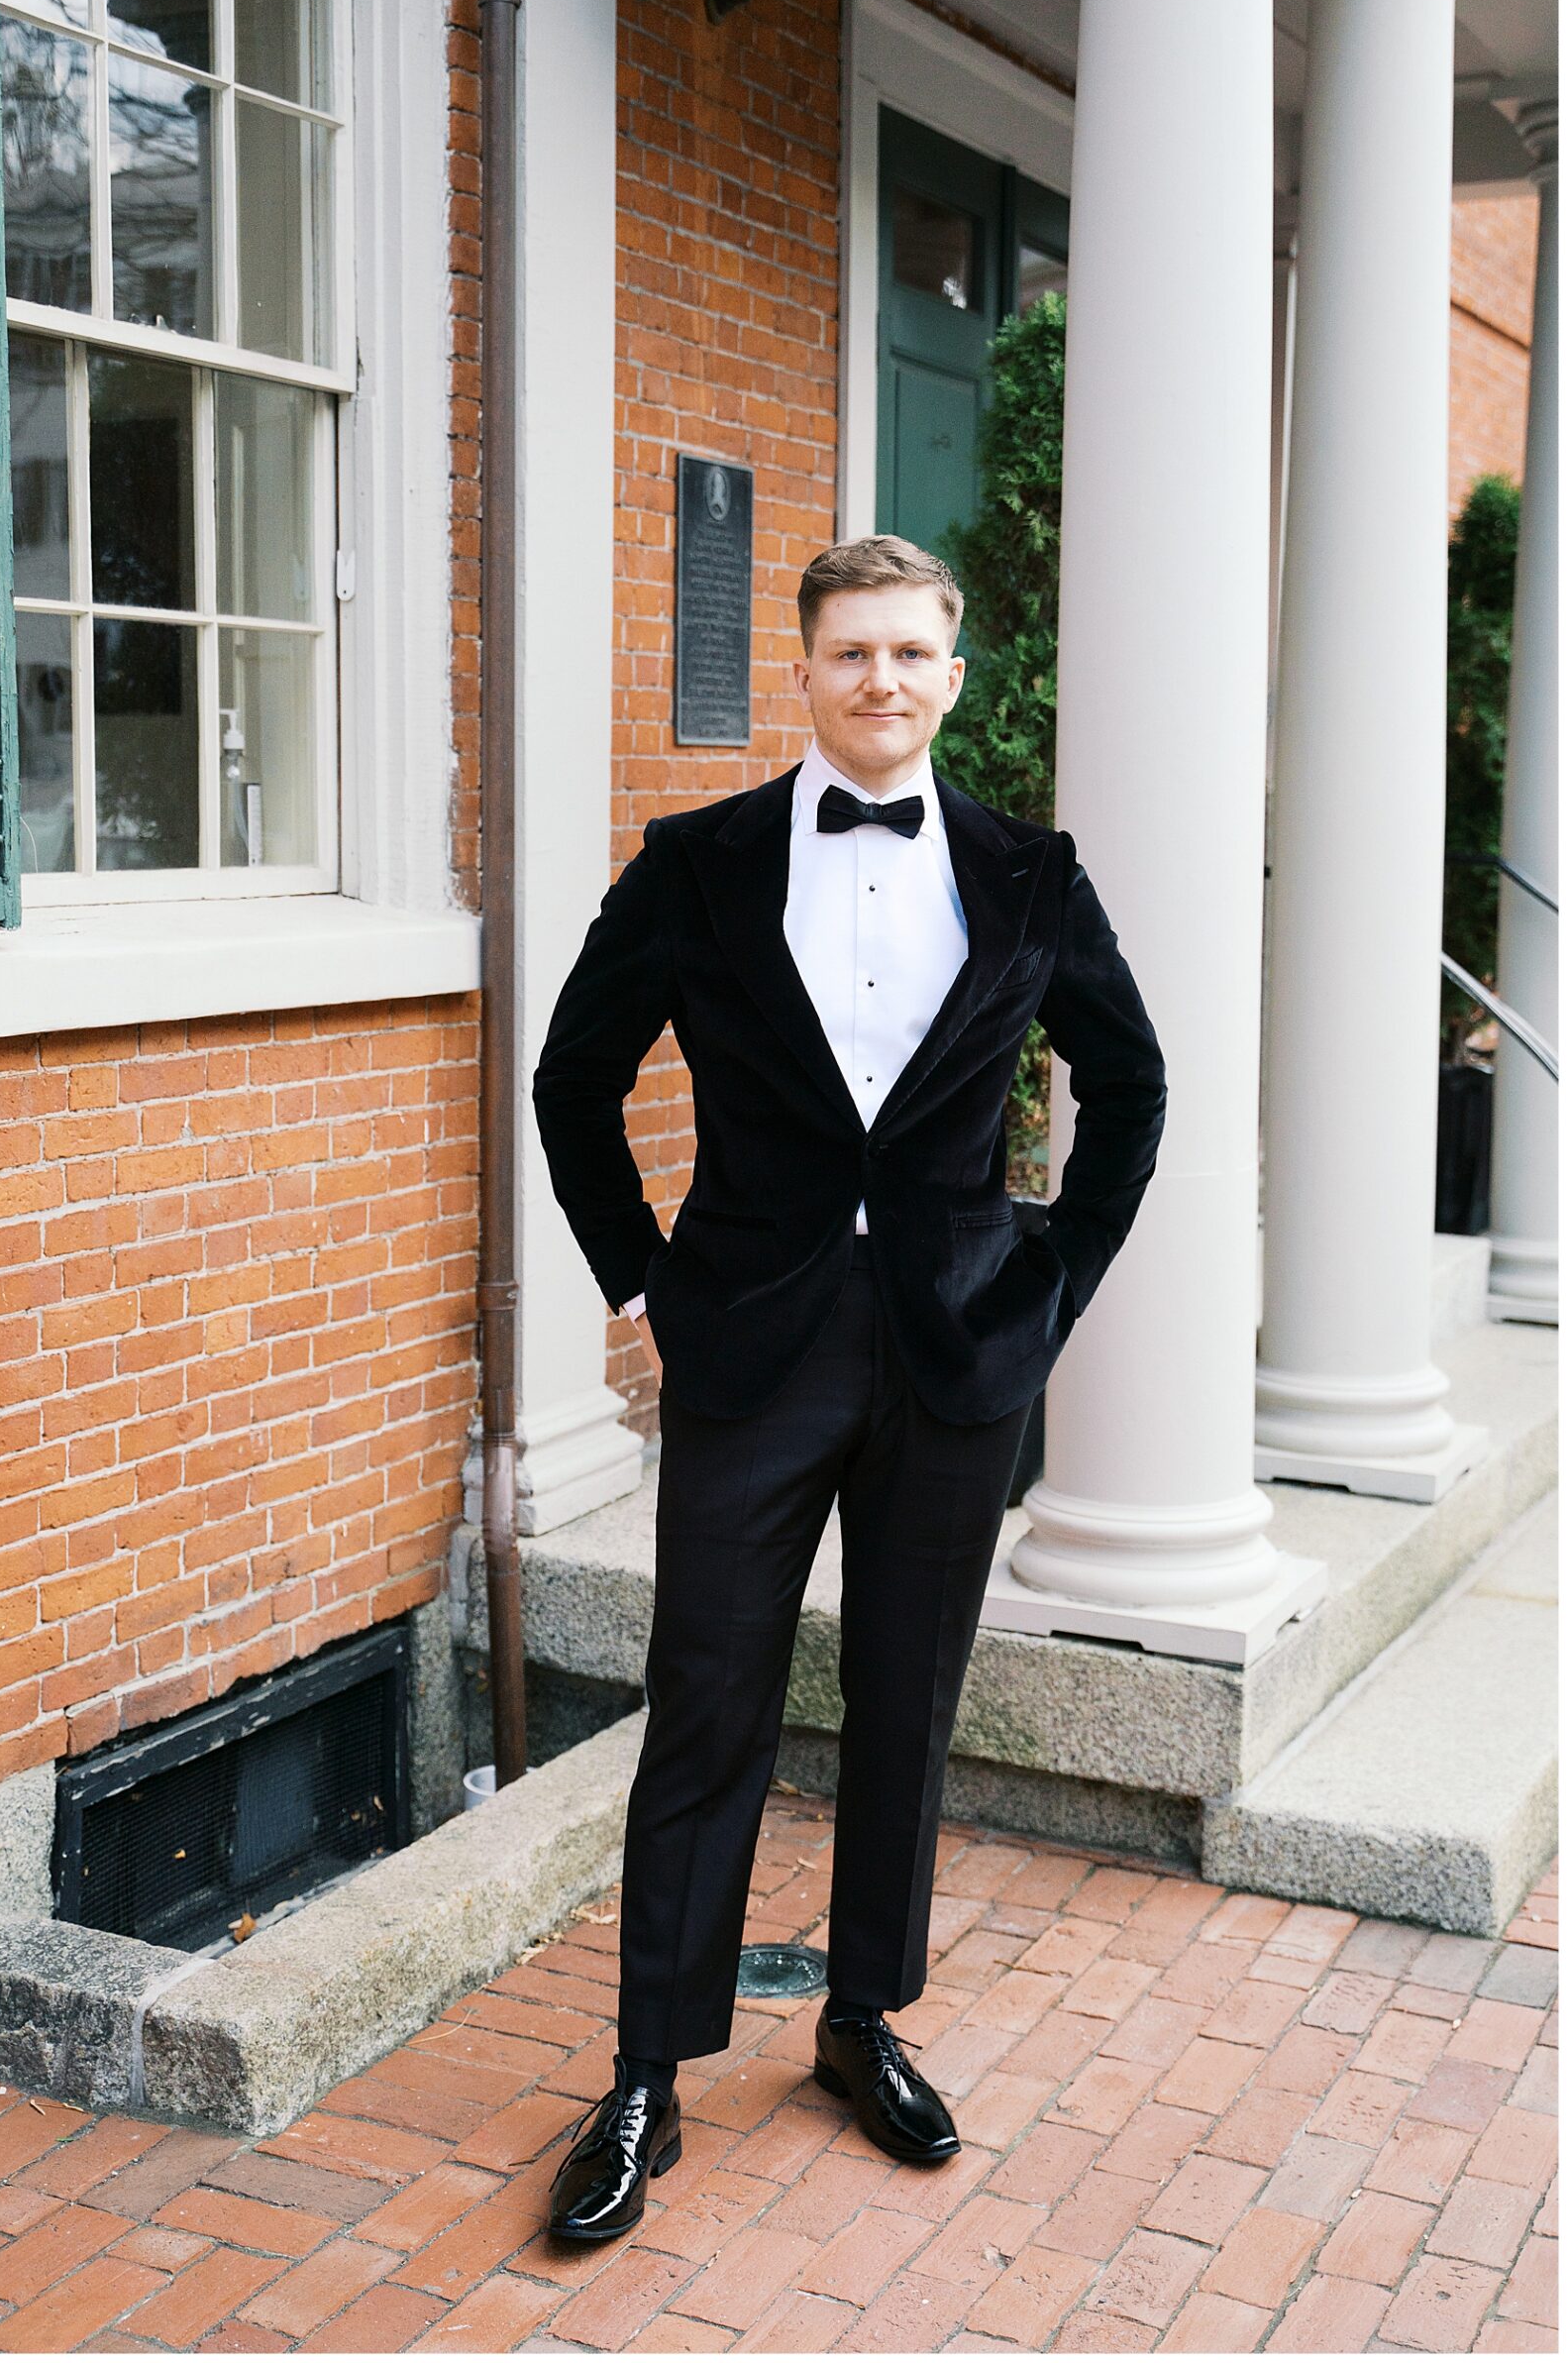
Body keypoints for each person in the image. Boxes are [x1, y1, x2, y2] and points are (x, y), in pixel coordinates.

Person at [531, 533, 1167, 2242]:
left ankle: (858, 2022)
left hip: (956, 1347)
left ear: (951, 676)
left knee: (906, 1699)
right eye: (849, 652)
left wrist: (1052, 1277)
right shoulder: (698, 864)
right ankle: (647, 2073)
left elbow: (1129, 1084)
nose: (879, 679)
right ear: (804, 671)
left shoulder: (1029, 872)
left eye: (908, 652)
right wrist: (644, 1278)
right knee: (705, 1697)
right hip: (751, 1339)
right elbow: (574, 1077)